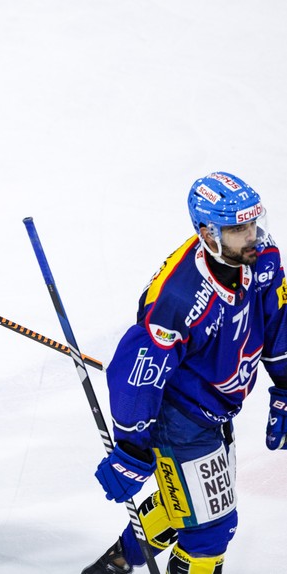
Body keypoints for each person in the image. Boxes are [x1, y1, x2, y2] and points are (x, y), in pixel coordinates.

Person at [82, 172, 287, 573]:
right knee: (211, 528)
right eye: (237, 228)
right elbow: (136, 376)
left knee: (186, 504)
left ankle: (117, 563)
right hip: (179, 417)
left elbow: (279, 319)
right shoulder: (179, 296)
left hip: (215, 409)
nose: (252, 235)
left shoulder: (260, 258)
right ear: (208, 234)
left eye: (253, 223)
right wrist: (132, 449)